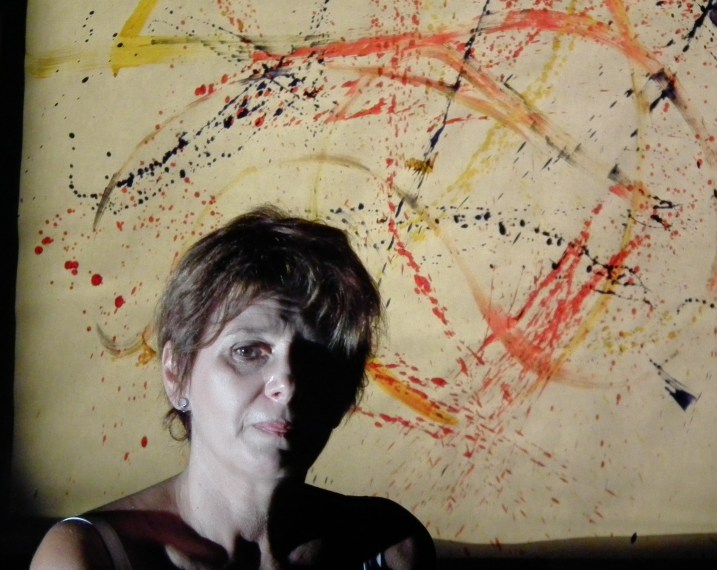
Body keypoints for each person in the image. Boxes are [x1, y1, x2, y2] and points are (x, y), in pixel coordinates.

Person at [31, 205, 437, 569]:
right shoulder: (88, 555)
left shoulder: (389, 546)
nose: (287, 383)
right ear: (176, 373)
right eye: (248, 351)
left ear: (346, 390)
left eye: (317, 356)